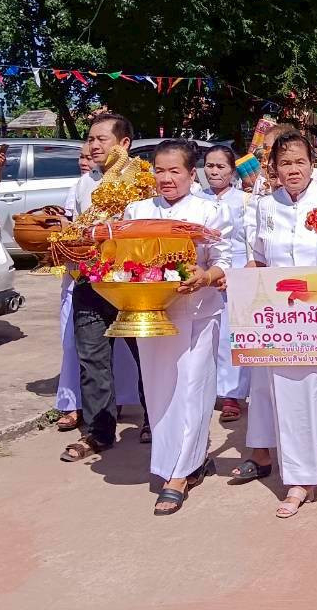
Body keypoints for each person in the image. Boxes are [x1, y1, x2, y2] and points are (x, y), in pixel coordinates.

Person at [240, 130, 317, 517]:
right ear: (274, 169)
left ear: (312, 163)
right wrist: (248, 279)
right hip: (282, 319)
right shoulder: (265, 206)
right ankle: (298, 480)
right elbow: (258, 257)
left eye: (299, 162)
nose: (292, 170)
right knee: (290, 397)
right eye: (284, 163)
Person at [122, 140, 232, 515]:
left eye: (175, 171)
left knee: (192, 389)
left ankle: (179, 476)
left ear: (191, 173)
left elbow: (227, 257)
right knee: (159, 392)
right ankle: (185, 459)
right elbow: (122, 257)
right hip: (152, 313)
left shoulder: (209, 210)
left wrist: (207, 275)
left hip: (198, 313)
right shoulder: (136, 211)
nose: (166, 179)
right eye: (159, 170)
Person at [60, 114, 151, 462]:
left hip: (130, 284)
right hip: (90, 281)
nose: (94, 146)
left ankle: (154, 421)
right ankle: (99, 432)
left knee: (146, 356)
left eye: (103, 139)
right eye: (91, 139)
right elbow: (77, 229)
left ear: (123, 144)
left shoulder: (143, 181)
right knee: (92, 358)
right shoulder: (84, 183)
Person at [199, 146, 257, 424]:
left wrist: (242, 271)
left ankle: (232, 394)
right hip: (203, 271)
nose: (214, 172)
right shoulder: (197, 199)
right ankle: (206, 389)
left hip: (235, 271)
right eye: (210, 166)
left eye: (220, 167)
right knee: (206, 333)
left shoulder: (246, 200)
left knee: (231, 335)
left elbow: (250, 240)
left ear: (232, 171)